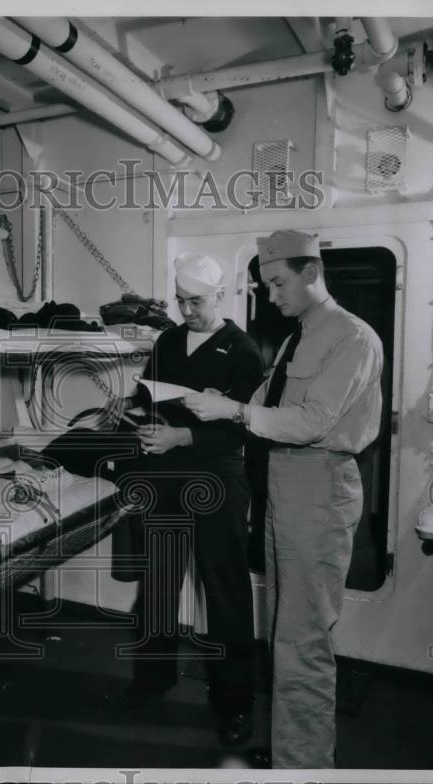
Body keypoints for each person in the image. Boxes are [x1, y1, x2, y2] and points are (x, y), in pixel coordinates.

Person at [184, 230, 383, 769]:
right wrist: (220, 402)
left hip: (317, 487)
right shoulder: (301, 335)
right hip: (287, 484)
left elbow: (315, 420)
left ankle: (304, 768)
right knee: (285, 628)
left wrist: (237, 415)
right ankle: (296, 750)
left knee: (303, 640)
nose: (271, 296)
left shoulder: (351, 337)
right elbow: (268, 397)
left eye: (277, 283)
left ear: (311, 273)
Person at [117, 252, 265, 747]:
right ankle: (151, 680)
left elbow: (247, 432)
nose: (186, 311)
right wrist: (134, 414)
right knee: (158, 588)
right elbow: (147, 397)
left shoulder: (243, 350)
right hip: (164, 477)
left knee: (224, 592)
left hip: (217, 481)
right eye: (180, 301)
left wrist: (184, 438)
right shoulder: (169, 338)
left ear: (221, 297)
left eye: (195, 302)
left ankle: (234, 703)